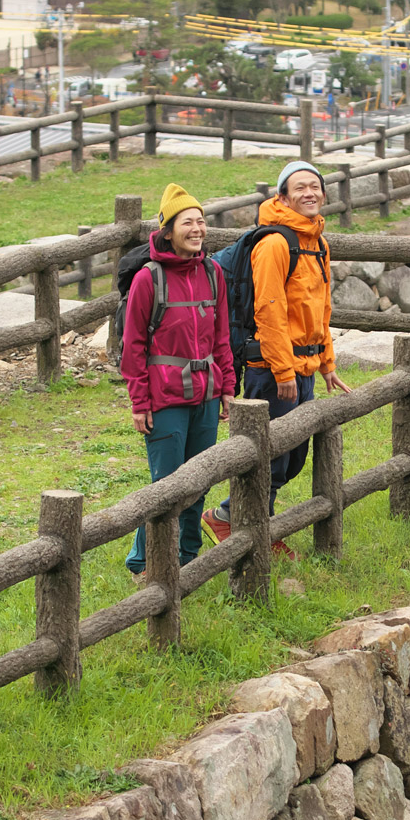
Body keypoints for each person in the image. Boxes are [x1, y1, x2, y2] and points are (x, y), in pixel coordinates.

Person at [204, 159, 348, 552]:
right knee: (270, 455)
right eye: (299, 188)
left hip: (303, 365)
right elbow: (268, 309)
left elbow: (320, 308)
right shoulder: (274, 243)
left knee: (292, 455)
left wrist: (327, 363)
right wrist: (283, 371)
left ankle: (239, 519)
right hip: (272, 368)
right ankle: (242, 524)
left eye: (315, 186)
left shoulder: (317, 243)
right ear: (282, 196)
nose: (309, 193)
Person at [122, 183, 234, 578]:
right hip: (164, 397)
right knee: (166, 485)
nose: (197, 229)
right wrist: (139, 402)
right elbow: (133, 344)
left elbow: (222, 336)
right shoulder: (147, 280)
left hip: (205, 393)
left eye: (201, 221)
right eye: (187, 222)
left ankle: (187, 557)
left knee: (198, 480)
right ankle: (143, 562)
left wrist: (227, 389)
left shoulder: (213, 272)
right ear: (167, 230)